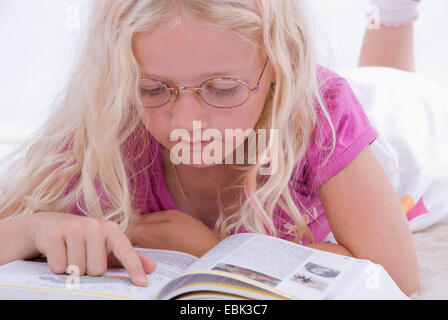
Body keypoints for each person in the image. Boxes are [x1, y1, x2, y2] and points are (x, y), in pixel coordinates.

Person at [0, 0, 420, 296]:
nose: (186, 123)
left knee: (396, 95)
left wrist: (214, 250)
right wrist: (34, 228)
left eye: (221, 88)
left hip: (407, 141)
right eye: (154, 88)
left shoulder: (320, 112)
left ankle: (393, 13)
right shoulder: (118, 118)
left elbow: (397, 279)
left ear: (278, 66)